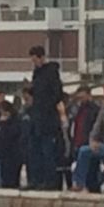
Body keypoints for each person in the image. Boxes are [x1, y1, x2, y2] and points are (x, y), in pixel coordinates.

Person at [27, 46, 65, 190]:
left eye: (35, 59)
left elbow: (57, 94)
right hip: (37, 118)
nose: (34, 62)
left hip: (47, 119)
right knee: (34, 151)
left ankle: (49, 181)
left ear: (41, 57)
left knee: (47, 151)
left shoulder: (51, 72)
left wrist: (46, 106)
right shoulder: (36, 73)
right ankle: (36, 179)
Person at [0, 100, 25, 189]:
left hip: (13, 153)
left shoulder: (16, 121)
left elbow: (13, 134)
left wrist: (4, 123)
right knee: (4, 177)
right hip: (3, 153)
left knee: (12, 178)